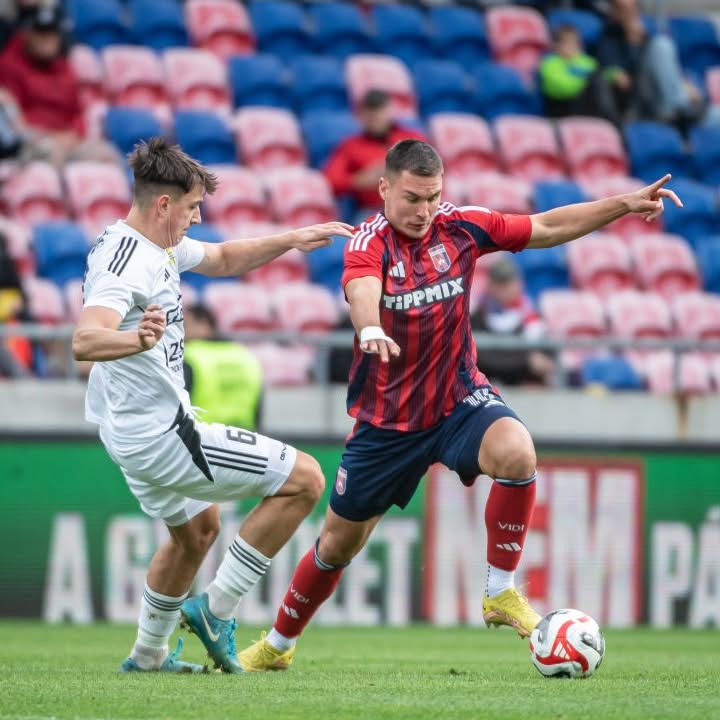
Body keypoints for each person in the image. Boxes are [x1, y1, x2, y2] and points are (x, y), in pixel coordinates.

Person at [237, 138, 682, 671]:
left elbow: (546, 226)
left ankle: (500, 590)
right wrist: (371, 326)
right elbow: (361, 289)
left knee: (517, 453)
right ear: (384, 189)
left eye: (432, 197)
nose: (423, 210)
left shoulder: (461, 227)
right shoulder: (368, 241)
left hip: (457, 401)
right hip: (388, 422)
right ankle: (279, 644)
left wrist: (622, 204)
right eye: (412, 198)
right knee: (337, 545)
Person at [72, 137, 353, 674]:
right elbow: (85, 340)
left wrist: (291, 240)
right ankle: (217, 609)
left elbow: (222, 258)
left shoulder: (154, 243)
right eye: (193, 207)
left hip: (134, 428)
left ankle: (148, 656)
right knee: (306, 480)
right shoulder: (126, 262)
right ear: (164, 204)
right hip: (159, 434)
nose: (197, 218)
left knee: (198, 531)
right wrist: (135, 339)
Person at [0, 2, 118, 165]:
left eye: (52, 33)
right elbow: (13, 118)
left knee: (108, 154)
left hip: (68, 139)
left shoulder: (65, 67)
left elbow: (77, 112)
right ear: (26, 34)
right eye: (40, 32)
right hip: (34, 140)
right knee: (52, 154)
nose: (47, 40)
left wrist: (73, 135)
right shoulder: (9, 65)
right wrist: (48, 136)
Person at [596, 0, 708, 128]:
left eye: (633, 8)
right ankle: (680, 106)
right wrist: (631, 42)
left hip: (667, 101)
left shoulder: (647, 37)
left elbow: (666, 70)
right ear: (614, 12)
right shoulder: (609, 40)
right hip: (641, 105)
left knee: (715, 115)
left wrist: (684, 85)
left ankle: (682, 107)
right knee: (661, 45)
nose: (630, 14)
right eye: (624, 10)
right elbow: (625, 82)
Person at [324, 88, 426, 222]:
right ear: (360, 115)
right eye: (370, 113)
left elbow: (436, 168)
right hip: (374, 210)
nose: (375, 117)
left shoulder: (411, 137)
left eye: (379, 111)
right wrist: (358, 180)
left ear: (390, 111)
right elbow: (330, 180)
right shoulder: (350, 146)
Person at [471, 256, 555, 387]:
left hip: (525, 390)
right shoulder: (477, 317)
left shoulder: (534, 318)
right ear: (490, 285)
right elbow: (480, 359)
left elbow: (547, 360)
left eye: (508, 282)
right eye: (499, 282)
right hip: (486, 389)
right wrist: (526, 360)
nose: (503, 288)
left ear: (519, 284)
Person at [182, 303, 263, 431]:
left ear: (203, 323)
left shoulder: (189, 356)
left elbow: (178, 405)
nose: (180, 332)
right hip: (243, 435)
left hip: (201, 435)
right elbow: (258, 406)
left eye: (184, 325)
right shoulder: (245, 355)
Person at [539, 25, 621, 125]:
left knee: (613, 82)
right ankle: (613, 122)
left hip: (587, 105)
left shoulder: (587, 61)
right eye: (567, 42)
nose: (572, 46)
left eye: (575, 43)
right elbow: (562, 89)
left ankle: (614, 119)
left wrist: (613, 75)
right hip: (563, 107)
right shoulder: (549, 63)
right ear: (556, 45)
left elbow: (600, 76)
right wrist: (587, 82)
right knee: (596, 83)